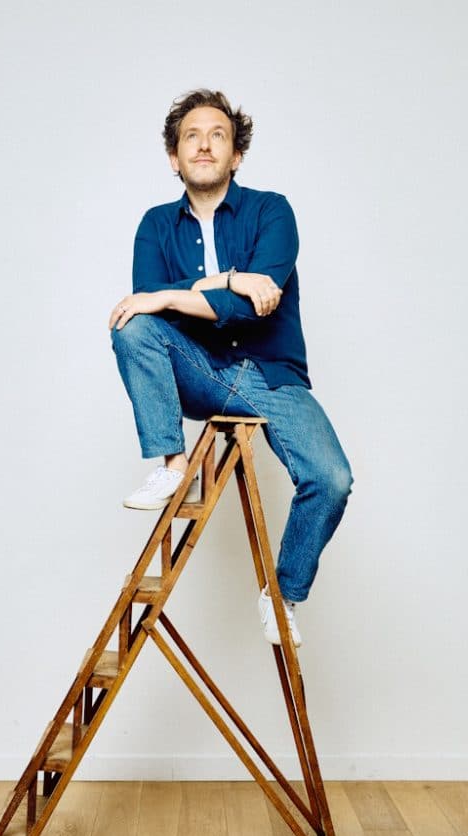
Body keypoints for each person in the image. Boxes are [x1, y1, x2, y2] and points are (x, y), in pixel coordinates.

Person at [108, 89, 352, 647]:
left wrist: (195, 291)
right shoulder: (155, 225)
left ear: (235, 154)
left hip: (271, 375)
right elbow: (147, 304)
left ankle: (283, 593)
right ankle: (173, 463)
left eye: (217, 135)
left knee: (331, 480)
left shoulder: (272, 211)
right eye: (191, 136)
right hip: (201, 371)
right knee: (133, 323)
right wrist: (229, 279)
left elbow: (253, 306)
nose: (204, 145)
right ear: (174, 157)